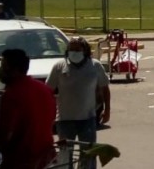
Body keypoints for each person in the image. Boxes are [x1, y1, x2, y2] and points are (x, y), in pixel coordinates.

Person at [46, 37, 110, 169]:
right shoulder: (59, 66)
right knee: (65, 156)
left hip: (88, 119)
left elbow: (105, 88)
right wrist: (48, 115)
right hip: (64, 120)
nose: (74, 52)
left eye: (77, 49)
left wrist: (107, 110)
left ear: (85, 50)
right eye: (71, 49)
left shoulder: (95, 66)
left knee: (88, 155)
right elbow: (48, 91)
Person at [0, 49, 57, 169]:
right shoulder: (44, 89)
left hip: (21, 160)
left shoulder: (12, 95)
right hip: (46, 158)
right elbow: (51, 118)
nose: (0, 70)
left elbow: (6, 133)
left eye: (3, 66)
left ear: (15, 70)